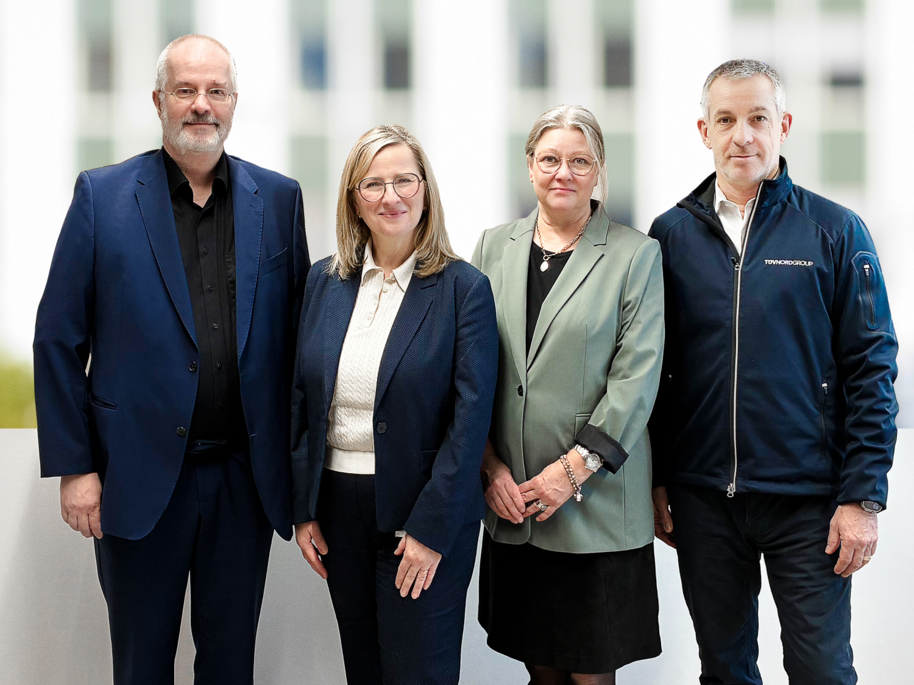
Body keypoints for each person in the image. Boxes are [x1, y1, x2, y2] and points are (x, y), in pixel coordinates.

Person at [33, 34, 309, 684]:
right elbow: (57, 337)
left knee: (229, 664)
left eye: (216, 91)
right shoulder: (101, 197)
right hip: (135, 478)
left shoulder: (280, 198)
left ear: (234, 103)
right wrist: (76, 467)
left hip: (245, 481)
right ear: (159, 100)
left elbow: (300, 342)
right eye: (186, 90)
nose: (201, 104)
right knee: (140, 665)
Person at [648, 59, 898, 684]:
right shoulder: (670, 236)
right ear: (703, 130)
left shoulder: (835, 231)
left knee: (821, 670)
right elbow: (652, 371)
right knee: (725, 670)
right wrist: (656, 480)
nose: (743, 136)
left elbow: (872, 370)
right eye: (726, 120)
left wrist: (862, 497)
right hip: (705, 501)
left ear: (782, 125)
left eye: (758, 119)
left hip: (810, 504)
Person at [290, 124, 498, 685]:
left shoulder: (463, 289)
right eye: (373, 184)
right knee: (365, 671)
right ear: (354, 200)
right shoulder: (323, 283)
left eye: (404, 180)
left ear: (425, 189)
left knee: (417, 674)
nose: (391, 196)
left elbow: (470, 419)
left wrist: (433, 528)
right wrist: (304, 507)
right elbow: (302, 400)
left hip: (423, 513)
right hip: (338, 509)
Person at [471, 105, 665, 685]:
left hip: (595, 507)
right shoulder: (491, 248)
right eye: (550, 159)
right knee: (543, 672)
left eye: (580, 161)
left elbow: (637, 378)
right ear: (529, 166)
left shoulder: (635, 254)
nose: (564, 172)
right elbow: (470, 371)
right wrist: (490, 468)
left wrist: (573, 471)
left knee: (592, 674)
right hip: (515, 501)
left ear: (599, 171)